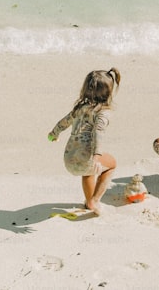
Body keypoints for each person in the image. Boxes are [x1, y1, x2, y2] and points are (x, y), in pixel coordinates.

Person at [48, 68, 121, 214]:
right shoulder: (103, 113)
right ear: (109, 92)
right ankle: (94, 200)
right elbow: (98, 133)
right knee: (112, 164)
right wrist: (96, 157)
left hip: (69, 159)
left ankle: (90, 203)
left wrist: (53, 134)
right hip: (87, 158)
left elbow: (64, 122)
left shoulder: (79, 108)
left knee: (87, 172)